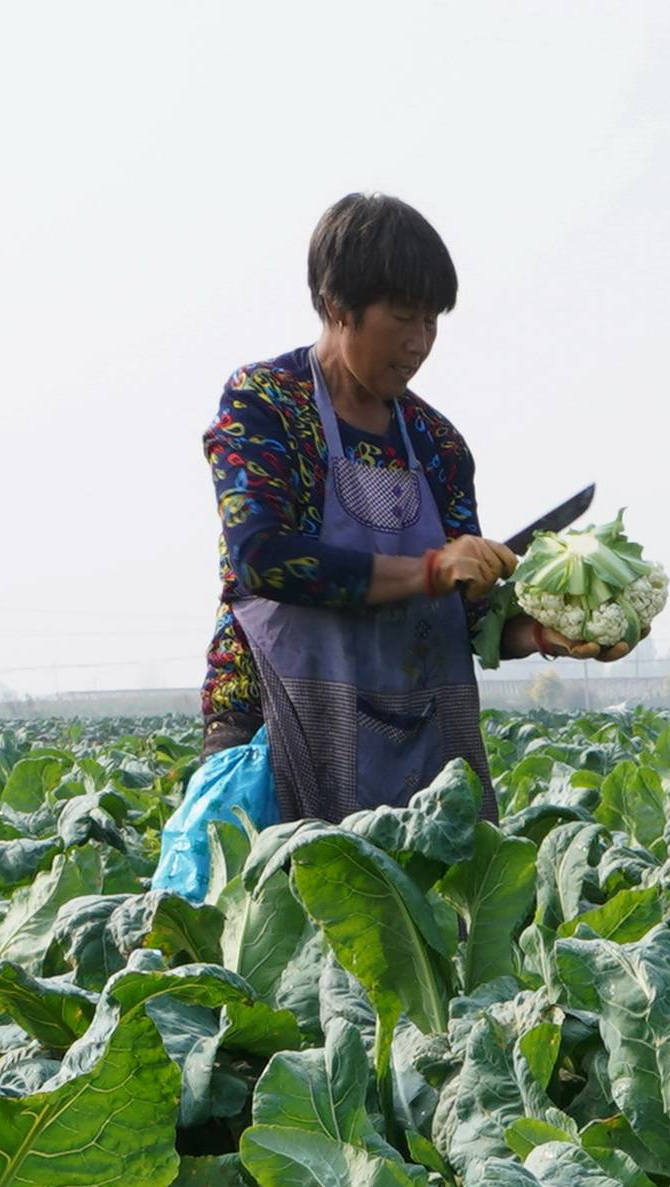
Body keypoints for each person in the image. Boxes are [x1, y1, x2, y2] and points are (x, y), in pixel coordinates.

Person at [154, 192, 613, 885]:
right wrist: (429, 570)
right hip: (274, 732)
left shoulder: (437, 444)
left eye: (432, 321)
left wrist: (545, 633)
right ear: (339, 305)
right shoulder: (266, 403)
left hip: (415, 739)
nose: (420, 341)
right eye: (403, 317)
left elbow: (468, 612)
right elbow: (263, 558)